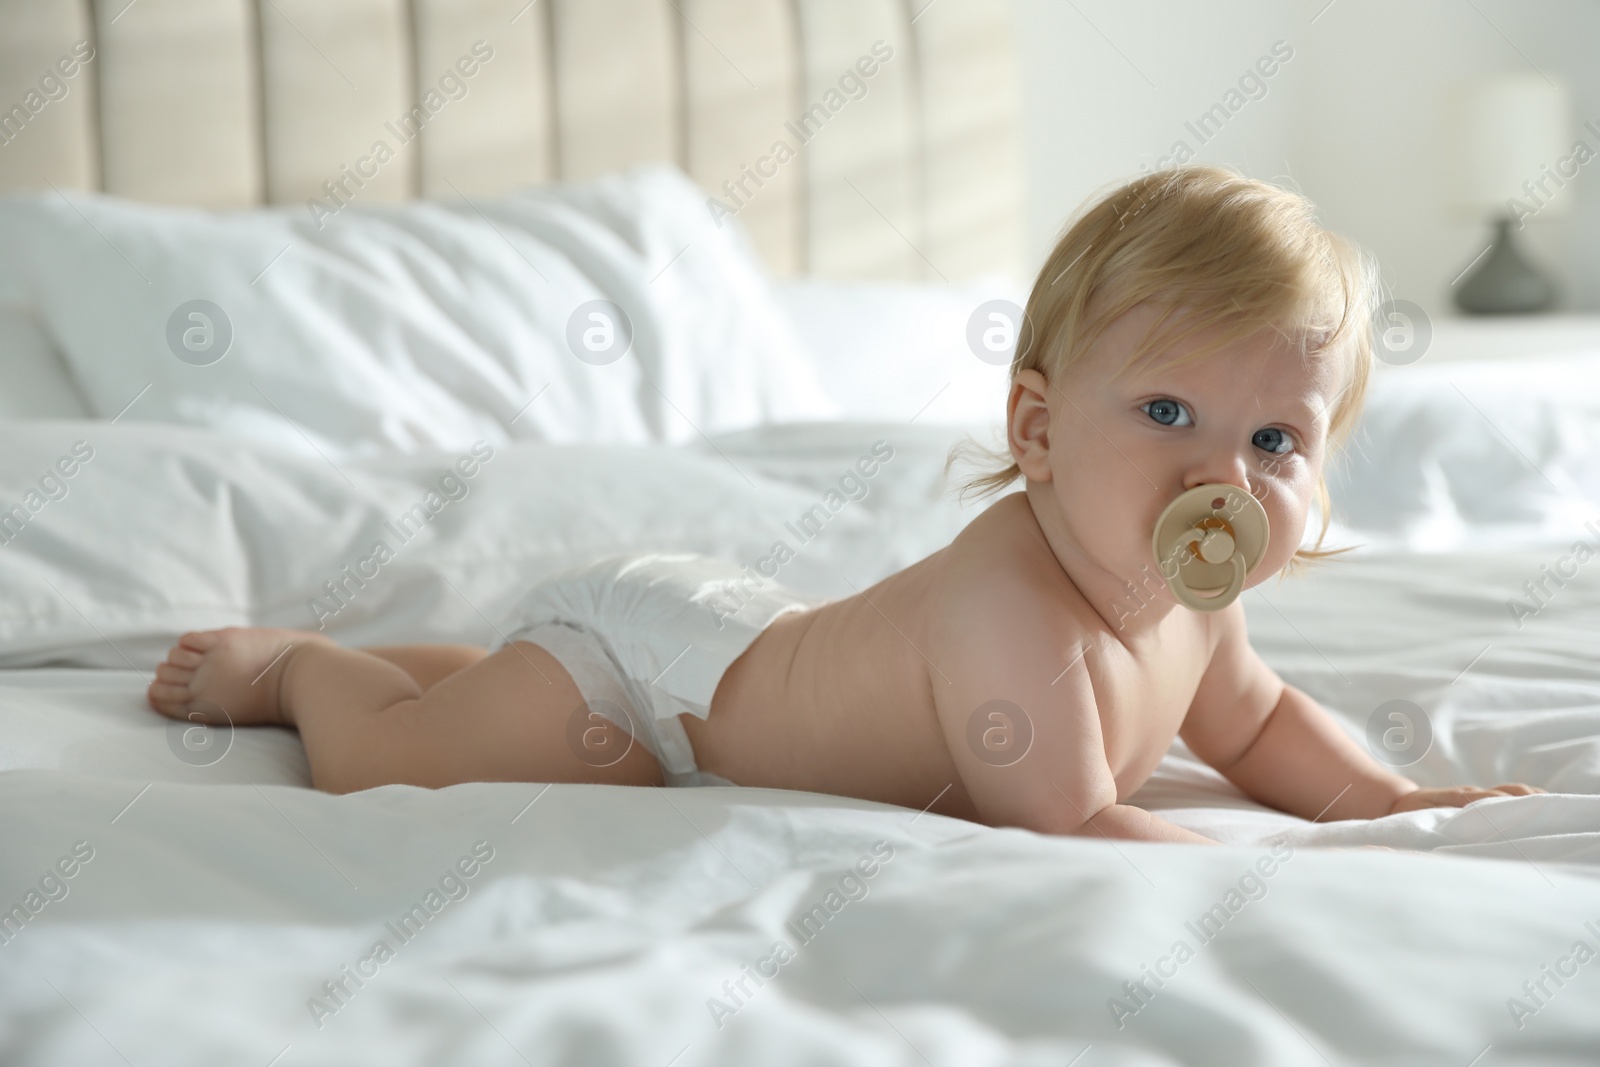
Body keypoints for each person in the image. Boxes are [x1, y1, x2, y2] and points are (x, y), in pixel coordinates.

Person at [146, 166, 1544, 843]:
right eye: (1166, 412)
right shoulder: (1013, 597)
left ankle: (455, 672)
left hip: (749, 636)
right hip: (653, 690)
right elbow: (1066, 825)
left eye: (1278, 440)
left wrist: (1391, 802)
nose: (1221, 477)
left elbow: (1259, 724)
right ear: (1037, 431)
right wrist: (1274, 886)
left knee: (502, 699)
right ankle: (314, 672)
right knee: (417, 760)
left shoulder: (1194, 603)